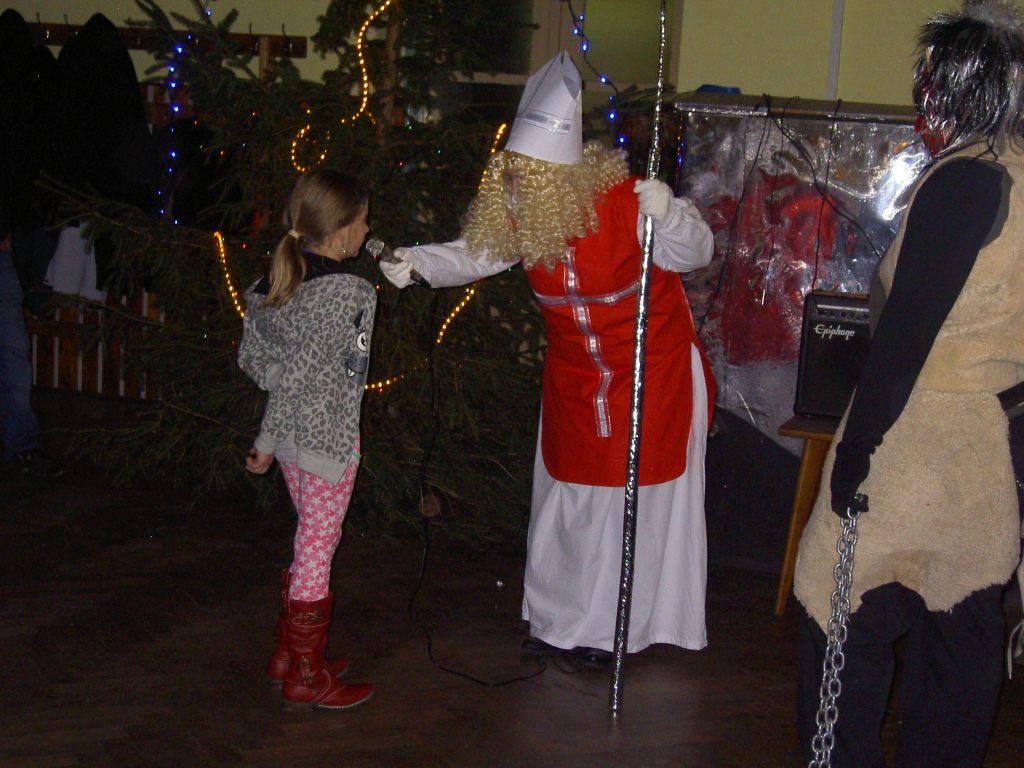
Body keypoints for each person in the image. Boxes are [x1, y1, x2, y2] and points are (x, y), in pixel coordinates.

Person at [381, 53, 715, 666]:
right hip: (576, 379)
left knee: (627, 505)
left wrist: (668, 212)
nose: (514, 188)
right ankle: (560, 621)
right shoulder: (525, 217)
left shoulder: (624, 203)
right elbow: (476, 252)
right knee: (567, 498)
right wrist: (419, 262)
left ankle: (614, 631)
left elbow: (695, 252)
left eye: (526, 178)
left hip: (653, 374)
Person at [794, 1, 1024, 764]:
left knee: (837, 616)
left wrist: (856, 450)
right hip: (990, 444)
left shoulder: (969, 179)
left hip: (918, 435)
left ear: (955, 85)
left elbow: (907, 337)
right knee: (959, 631)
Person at [238, 169, 376, 711]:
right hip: (325, 440)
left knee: (309, 542)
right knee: (316, 549)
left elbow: (253, 357)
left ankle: (288, 657)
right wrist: (267, 439)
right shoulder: (349, 291)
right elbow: (302, 373)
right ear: (340, 232)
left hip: (294, 441)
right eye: (363, 221)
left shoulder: (271, 283)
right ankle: (306, 675)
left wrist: (278, 409)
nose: (367, 231)